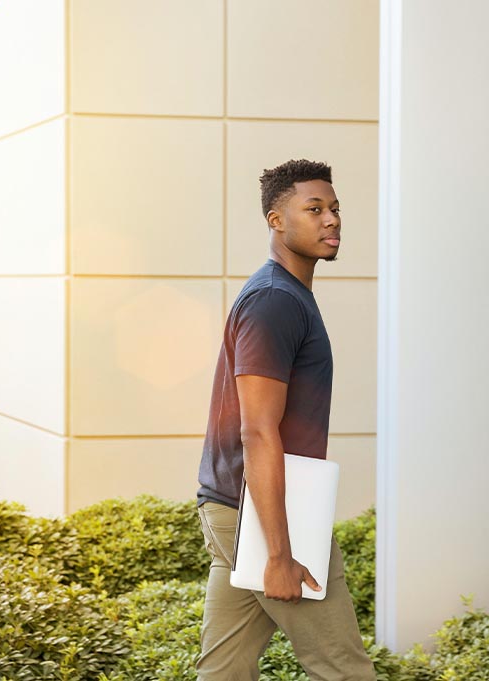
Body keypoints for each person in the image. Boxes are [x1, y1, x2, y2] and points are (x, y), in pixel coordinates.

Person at [194, 159, 376, 680]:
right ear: (276, 220)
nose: (332, 220)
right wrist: (280, 552)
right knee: (343, 669)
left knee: (223, 671)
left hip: (242, 507)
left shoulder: (287, 296)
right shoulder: (275, 301)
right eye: (313, 208)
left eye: (335, 209)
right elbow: (257, 430)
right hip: (266, 512)